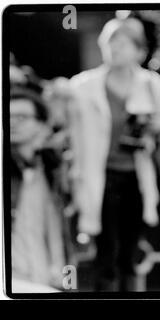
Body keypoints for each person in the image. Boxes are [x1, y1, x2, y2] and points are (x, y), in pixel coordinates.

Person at [68, 17, 160, 291]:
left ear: (139, 51)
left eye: (123, 44)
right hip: (101, 175)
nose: (116, 49)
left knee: (131, 252)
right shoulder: (82, 86)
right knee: (105, 250)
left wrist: (158, 127)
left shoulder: (150, 84)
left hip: (137, 177)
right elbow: (64, 122)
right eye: (111, 43)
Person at [10, 79, 66, 292]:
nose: (12, 122)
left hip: (45, 277)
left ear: (42, 124)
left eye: (22, 117)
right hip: (13, 279)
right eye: (7, 116)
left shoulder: (51, 170)